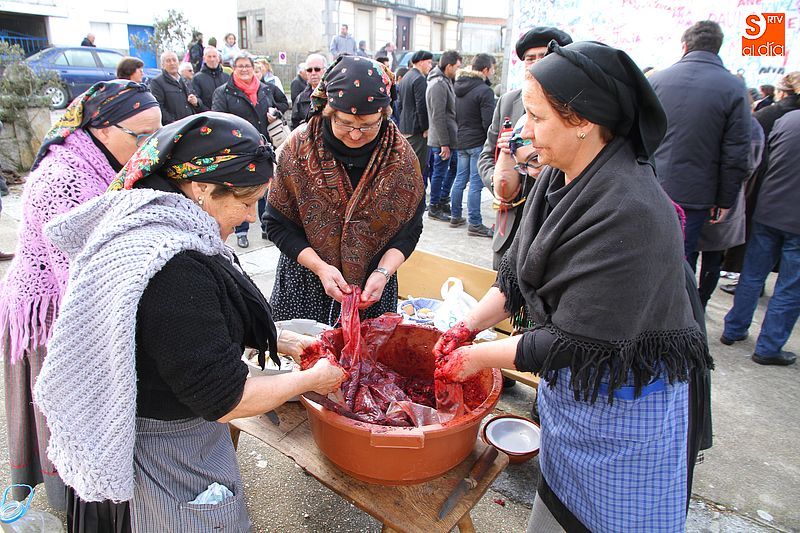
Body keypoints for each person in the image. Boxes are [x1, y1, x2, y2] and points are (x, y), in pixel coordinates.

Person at [434, 41, 712, 531]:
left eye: (537, 117)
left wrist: (474, 358)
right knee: (560, 504)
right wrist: (465, 327)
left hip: (627, 399)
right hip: (576, 392)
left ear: (582, 120)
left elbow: (576, 341)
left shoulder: (631, 210)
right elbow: (517, 276)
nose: (524, 131)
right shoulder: (559, 176)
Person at [32, 112, 346, 531]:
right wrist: (312, 380)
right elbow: (227, 400)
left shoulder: (166, 222)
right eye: (246, 202)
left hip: (164, 420)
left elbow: (194, 329)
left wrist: (282, 340)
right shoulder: (176, 268)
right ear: (200, 187)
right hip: (165, 445)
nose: (252, 217)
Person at [0, 80, 161, 520]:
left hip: (73, 295)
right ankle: (73, 496)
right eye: (141, 136)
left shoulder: (110, 161)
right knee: (68, 404)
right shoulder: (64, 179)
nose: (150, 147)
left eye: (157, 134)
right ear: (103, 128)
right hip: (53, 310)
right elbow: (80, 274)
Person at [266, 55, 425, 325]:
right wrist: (320, 268)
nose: (355, 134)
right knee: (303, 349)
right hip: (306, 282)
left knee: (368, 352)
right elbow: (276, 224)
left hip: (371, 289)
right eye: (344, 123)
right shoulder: (300, 148)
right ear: (328, 110)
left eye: (368, 125)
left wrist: (383, 272)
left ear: (384, 115)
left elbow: (409, 230)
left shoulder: (400, 158)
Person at [649, 20, 750, 260]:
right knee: (681, 258)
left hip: (651, 183)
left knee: (646, 251)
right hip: (695, 193)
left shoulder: (657, 80)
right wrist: (725, 199)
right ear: (717, 47)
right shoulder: (734, 87)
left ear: (685, 46)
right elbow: (735, 151)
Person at [478, 26, 573, 268]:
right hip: (511, 225)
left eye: (544, 57)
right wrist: (501, 183)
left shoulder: (572, 105)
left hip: (553, 221)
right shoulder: (508, 102)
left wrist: (547, 170)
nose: (536, 64)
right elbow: (486, 155)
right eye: (530, 59)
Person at [721, 109, 800, 366]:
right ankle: (768, 346)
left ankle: (734, 328)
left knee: (753, 275)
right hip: (793, 220)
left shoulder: (788, 120)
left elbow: (766, 159)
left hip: (769, 208)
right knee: (789, 287)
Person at [721, 72, 800, 294]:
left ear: (781, 92)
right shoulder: (778, 116)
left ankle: (738, 316)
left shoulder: (770, 115)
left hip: (767, 198)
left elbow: (748, 156)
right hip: (790, 210)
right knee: (788, 286)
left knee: (754, 270)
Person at [212, 52, 286, 248]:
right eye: (240, 66)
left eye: (247, 66)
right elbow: (218, 119)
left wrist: (275, 114)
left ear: (253, 68)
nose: (244, 69)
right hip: (239, 150)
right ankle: (241, 231)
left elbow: (280, 105)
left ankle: (265, 226)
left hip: (263, 148)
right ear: (233, 69)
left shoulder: (265, 89)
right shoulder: (224, 92)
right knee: (240, 192)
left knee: (263, 188)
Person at [451, 53, 496, 237]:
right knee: (476, 184)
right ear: (485, 70)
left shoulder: (458, 86)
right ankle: (475, 223)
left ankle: (455, 216)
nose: (493, 72)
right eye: (492, 69)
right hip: (477, 141)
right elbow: (489, 122)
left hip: (461, 139)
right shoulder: (484, 91)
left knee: (460, 179)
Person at [426, 50, 462, 222]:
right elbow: (438, 116)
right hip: (442, 139)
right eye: (457, 67)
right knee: (439, 172)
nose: (458, 70)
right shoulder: (438, 84)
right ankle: (434, 206)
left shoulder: (446, 81)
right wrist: (444, 144)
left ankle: (442, 199)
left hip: (449, 137)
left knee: (453, 168)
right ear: (449, 66)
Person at [396, 51, 433, 176]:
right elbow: (421, 106)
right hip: (417, 130)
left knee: (407, 164)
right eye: (429, 63)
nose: (430, 66)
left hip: (405, 127)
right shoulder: (419, 79)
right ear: (421, 62)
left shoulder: (406, 77)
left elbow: (400, 105)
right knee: (416, 168)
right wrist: (425, 127)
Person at [150, 51, 200, 125]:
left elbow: (197, 99)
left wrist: (196, 102)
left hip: (190, 124)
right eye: (168, 61)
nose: (172, 63)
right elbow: (158, 107)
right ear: (162, 65)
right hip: (173, 127)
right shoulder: (157, 82)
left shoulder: (185, 80)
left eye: (174, 60)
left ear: (178, 62)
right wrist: (173, 123)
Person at [291, 53, 327, 129]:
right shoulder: (300, 99)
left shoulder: (334, 95)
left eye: (317, 69)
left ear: (325, 70)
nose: (313, 73)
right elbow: (294, 126)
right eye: (309, 70)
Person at [192, 46, 230, 111]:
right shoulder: (197, 79)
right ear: (204, 59)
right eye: (209, 57)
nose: (212, 59)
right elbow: (197, 100)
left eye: (214, 56)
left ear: (219, 58)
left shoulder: (227, 77)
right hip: (207, 115)